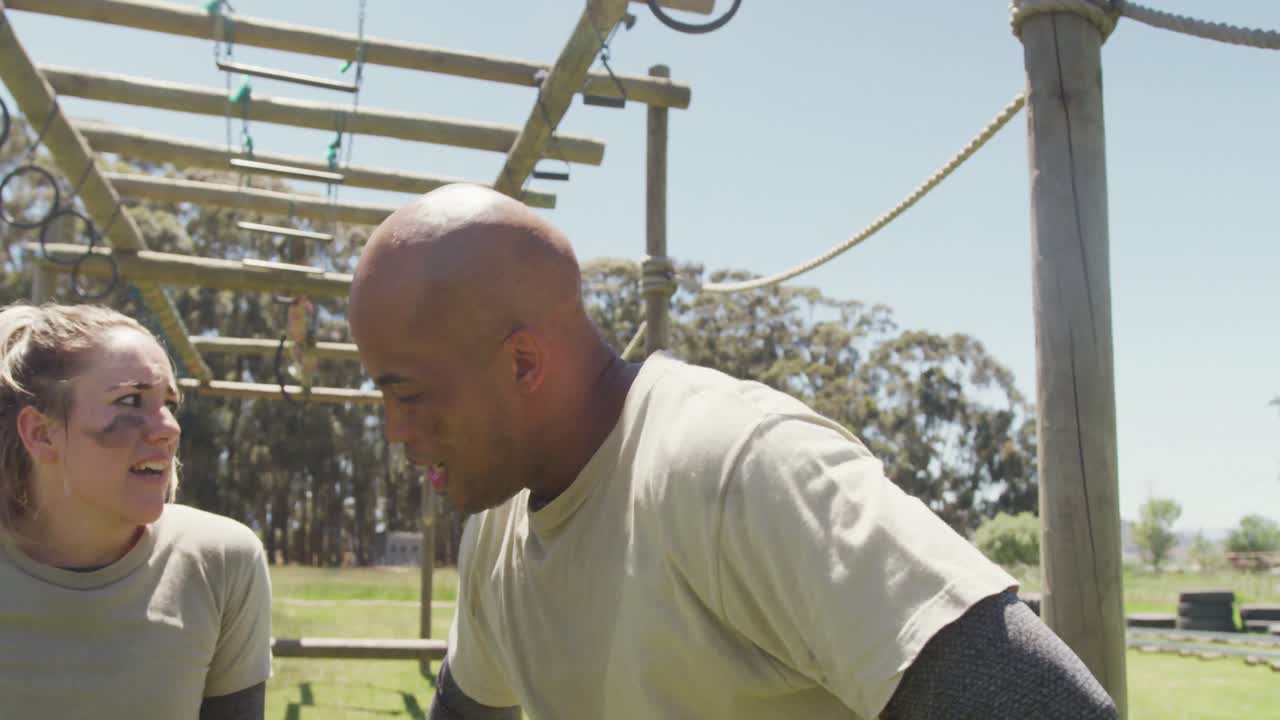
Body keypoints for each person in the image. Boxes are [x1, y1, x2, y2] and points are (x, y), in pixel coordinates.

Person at [348, 184, 1118, 720]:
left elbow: (1044, 707)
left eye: (408, 395)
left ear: (522, 363)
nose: (393, 430)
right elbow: (466, 706)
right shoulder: (499, 528)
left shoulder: (734, 467)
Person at [0, 302, 272, 720]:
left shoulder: (221, 562)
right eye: (130, 400)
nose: (170, 428)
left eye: (170, 404)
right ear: (41, 433)